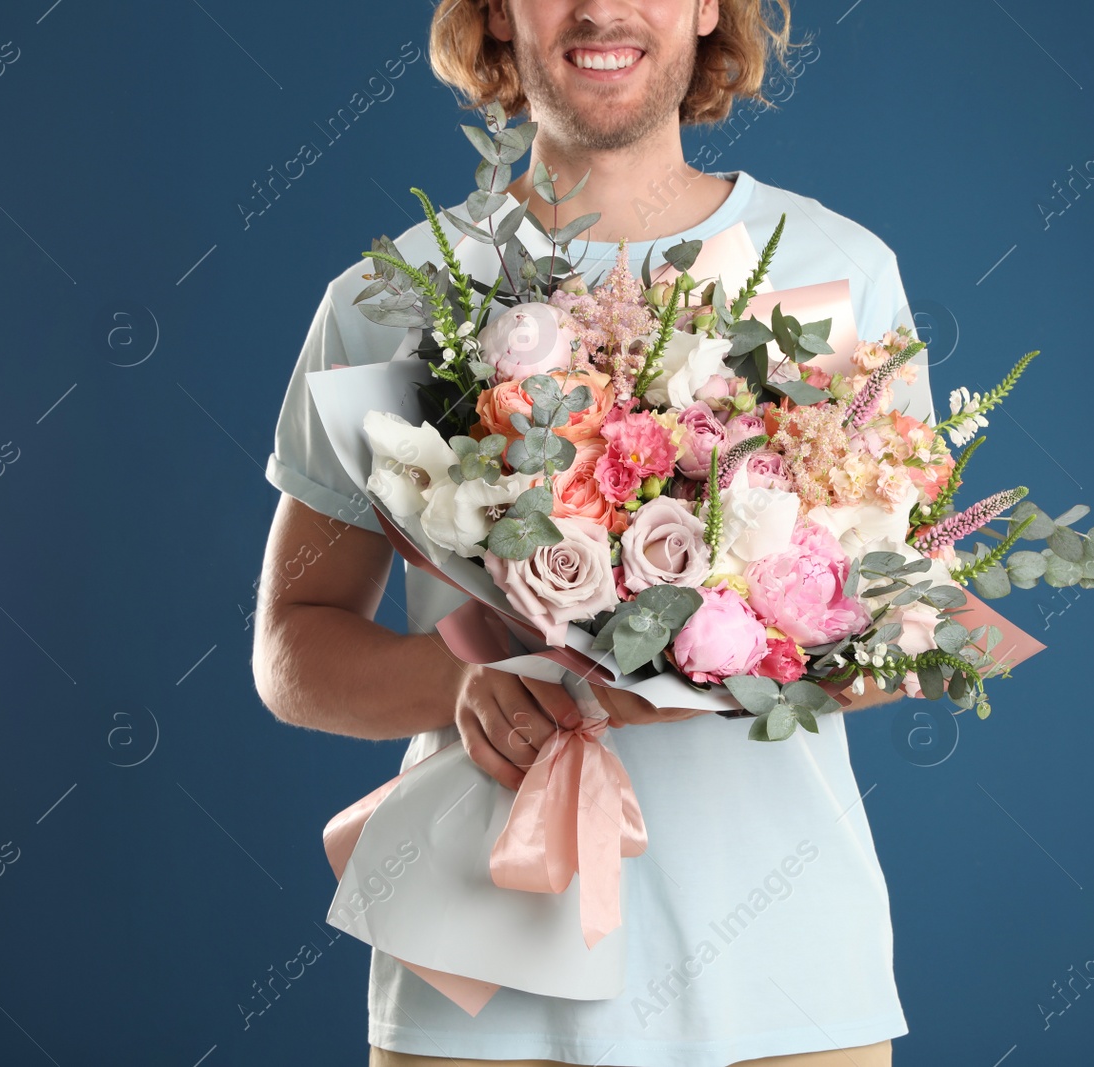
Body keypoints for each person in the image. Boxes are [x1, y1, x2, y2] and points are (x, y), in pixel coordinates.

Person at [251, 1, 934, 1064]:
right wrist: (466, 685)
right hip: (481, 986)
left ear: (709, 6)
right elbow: (293, 644)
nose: (601, 8)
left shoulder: (832, 271)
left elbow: (914, 622)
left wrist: (724, 652)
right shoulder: (386, 299)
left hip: (786, 989)